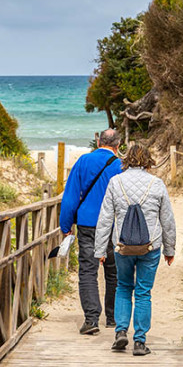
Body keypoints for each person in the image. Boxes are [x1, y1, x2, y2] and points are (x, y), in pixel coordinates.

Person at [94, 143, 176, 356]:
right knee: (143, 292)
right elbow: (167, 219)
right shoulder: (156, 184)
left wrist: (100, 250)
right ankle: (139, 342)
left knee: (123, 286)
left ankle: (121, 331)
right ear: (148, 160)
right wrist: (170, 248)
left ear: (126, 159)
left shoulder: (115, 182)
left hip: (122, 246)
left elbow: (104, 218)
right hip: (150, 246)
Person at [59, 128, 123, 335]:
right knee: (113, 272)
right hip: (114, 224)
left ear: (98, 143)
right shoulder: (122, 165)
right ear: (118, 145)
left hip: (88, 223)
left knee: (88, 271)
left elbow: (69, 197)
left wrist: (66, 226)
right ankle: (113, 318)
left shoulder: (83, 161)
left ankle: (92, 320)